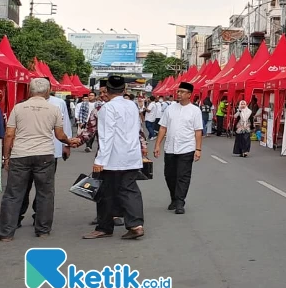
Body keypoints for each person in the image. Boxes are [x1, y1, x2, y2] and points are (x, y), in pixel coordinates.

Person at [0, 78, 74, 241]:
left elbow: (9, 134)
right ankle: (43, 230)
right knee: (45, 193)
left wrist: (6, 157)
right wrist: (69, 142)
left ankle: (6, 233)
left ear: (29, 91)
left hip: (20, 155)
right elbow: (59, 135)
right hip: (45, 155)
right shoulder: (53, 109)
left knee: (13, 194)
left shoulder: (18, 108)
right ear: (48, 91)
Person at [83, 76, 145, 240]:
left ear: (107, 90)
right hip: (131, 155)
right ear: (124, 90)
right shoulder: (132, 105)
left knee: (104, 192)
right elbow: (138, 129)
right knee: (130, 191)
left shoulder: (107, 109)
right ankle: (136, 225)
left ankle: (104, 227)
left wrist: (100, 160)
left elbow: (106, 136)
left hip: (113, 158)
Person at [18, 79, 73, 228]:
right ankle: (18, 216)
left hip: (50, 151)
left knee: (43, 188)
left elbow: (65, 124)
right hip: (26, 152)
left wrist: (66, 145)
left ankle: (39, 217)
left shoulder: (58, 103)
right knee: (25, 186)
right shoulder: (24, 104)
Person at [154, 82, 203, 214]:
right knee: (169, 175)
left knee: (183, 175)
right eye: (178, 91)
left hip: (187, 148)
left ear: (189, 94)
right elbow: (163, 127)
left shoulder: (195, 111)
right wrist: (158, 144)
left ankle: (180, 202)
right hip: (170, 147)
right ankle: (174, 198)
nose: (179, 94)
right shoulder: (170, 109)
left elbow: (198, 131)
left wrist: (198, 149)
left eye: (182, 92)